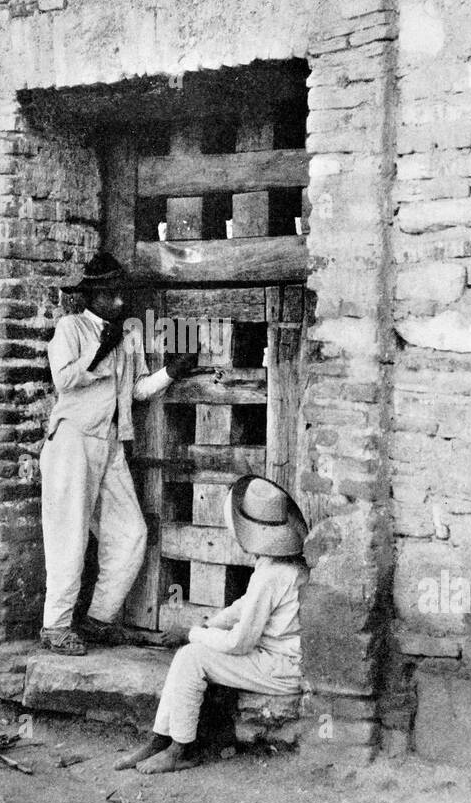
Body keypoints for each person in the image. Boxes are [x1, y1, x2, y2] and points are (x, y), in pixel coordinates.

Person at [39, 252, 196, 655]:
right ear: (90, 295)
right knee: (69, 536)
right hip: (72, 440)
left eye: (121, 294)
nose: (120, 302)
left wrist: (173, 371)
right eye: (110, 294)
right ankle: (55, 627)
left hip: (109, 443)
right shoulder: (70, 328)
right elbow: (64, 379)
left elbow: (138, 391)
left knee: (131, 533)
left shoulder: (127, 336)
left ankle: (97, 620)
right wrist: (100, 351)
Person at [115, 475, 309, 773]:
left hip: (282, 668)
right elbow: (244, 606)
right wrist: (211, 625)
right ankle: (160, 740)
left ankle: (181, 748)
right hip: (278, 661)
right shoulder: (281, 565)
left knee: (192, 657)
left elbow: (239, 643)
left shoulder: (271, 576)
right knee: (192, 652)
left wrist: (192, 634)